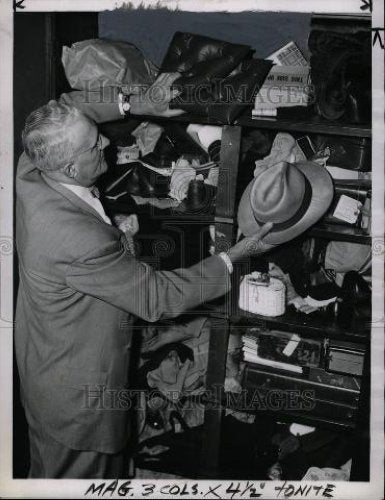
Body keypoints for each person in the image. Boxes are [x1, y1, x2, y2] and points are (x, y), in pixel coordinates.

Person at [15, 72, 273, 479]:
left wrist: (136, 104)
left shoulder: (32, 166)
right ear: (69, 165)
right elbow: (157, 299)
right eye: (94, 143)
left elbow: (71, 103)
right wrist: (233, 257)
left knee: (104, 466)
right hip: (75, 397)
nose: (106, 141)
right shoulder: (75, 237)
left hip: (49, 357)